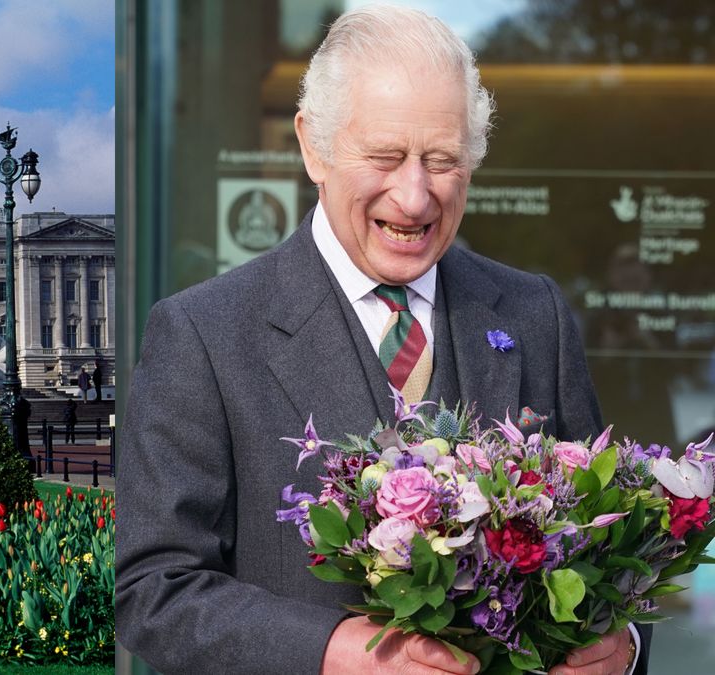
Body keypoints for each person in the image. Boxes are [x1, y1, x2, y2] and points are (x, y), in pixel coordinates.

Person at [115, 7, 648, 675]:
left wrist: (621, 647)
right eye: (386, 157)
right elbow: (153, 591)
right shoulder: (203, 334)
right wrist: (331, 653)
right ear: (314, 146)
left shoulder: (534, 312)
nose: (416, 195)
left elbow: (603, 550)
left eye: (443, 160)